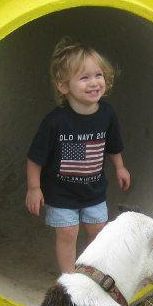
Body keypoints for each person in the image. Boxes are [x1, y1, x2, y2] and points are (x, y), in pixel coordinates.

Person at [26, 39, 132, 274]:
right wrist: (34, 188)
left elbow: (113, 144)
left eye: (98, 75)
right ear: (64, 86)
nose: (94, 83)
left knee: (98, 231)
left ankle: (95, 272)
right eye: (84, 78)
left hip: (93, 192)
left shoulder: (107, 114)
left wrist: (120, 167)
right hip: (60, 193)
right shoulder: (55, 122)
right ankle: (69, 279)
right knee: (67, 232)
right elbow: (36, 158)